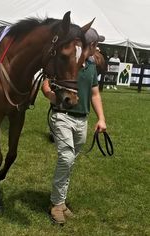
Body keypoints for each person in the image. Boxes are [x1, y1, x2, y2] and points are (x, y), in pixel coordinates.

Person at [42, 28, 107, 225]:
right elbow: (45, 83)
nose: (97, 49)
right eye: (96, 45)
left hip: (82, 120)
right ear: (91, 46)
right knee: (66, 157)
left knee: (70, 162)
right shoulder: (66, 60)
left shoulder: (91, 66)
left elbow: (95, 94)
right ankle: (56, 203)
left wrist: (101, 119)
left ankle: (61, 202)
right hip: (62, 116)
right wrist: (51, 95)